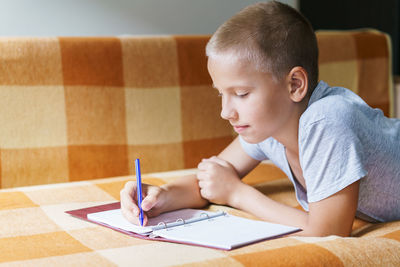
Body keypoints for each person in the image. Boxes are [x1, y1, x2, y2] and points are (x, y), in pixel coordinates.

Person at [120, 1, 400, 236]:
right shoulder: (269, 128)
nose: (225, 112)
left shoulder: (326, 119)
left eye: (241, 93)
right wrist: (159, 196)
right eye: (221, 95)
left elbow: (328, 232)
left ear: (294, 85)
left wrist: (238, 194)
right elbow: (214, 178)